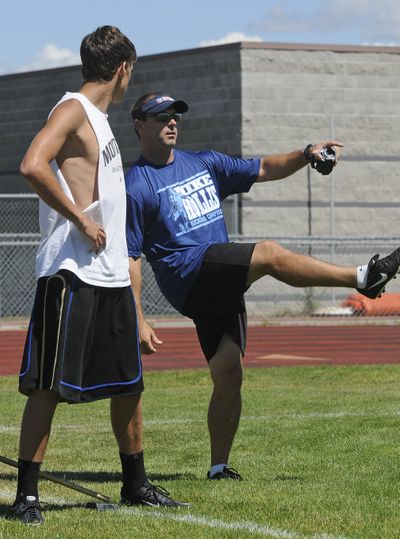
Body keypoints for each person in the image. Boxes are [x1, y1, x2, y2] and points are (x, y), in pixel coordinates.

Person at [125, 92, 400, 482]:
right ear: (139, 124)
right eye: (161, 117)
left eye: (175, 116)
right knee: (268, 253)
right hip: (188, 276)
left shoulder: (203, 162)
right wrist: (138, 320)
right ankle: (363, 278)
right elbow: (131, 259)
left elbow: (265, 168)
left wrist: (307, 153)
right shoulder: (134, 185)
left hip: (219, 276)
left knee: (228, 372)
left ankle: (218, 467)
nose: (172, 122)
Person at [11, 33, 188, 525]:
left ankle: (135, 484)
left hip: (108, 276)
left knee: (129, 384)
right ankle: (26, 496)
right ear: (124, 69)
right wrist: (80, 220)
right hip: (70, 273)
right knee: (47, 386)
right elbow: (31, 164)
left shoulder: (102, 121)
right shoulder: (71, 109)